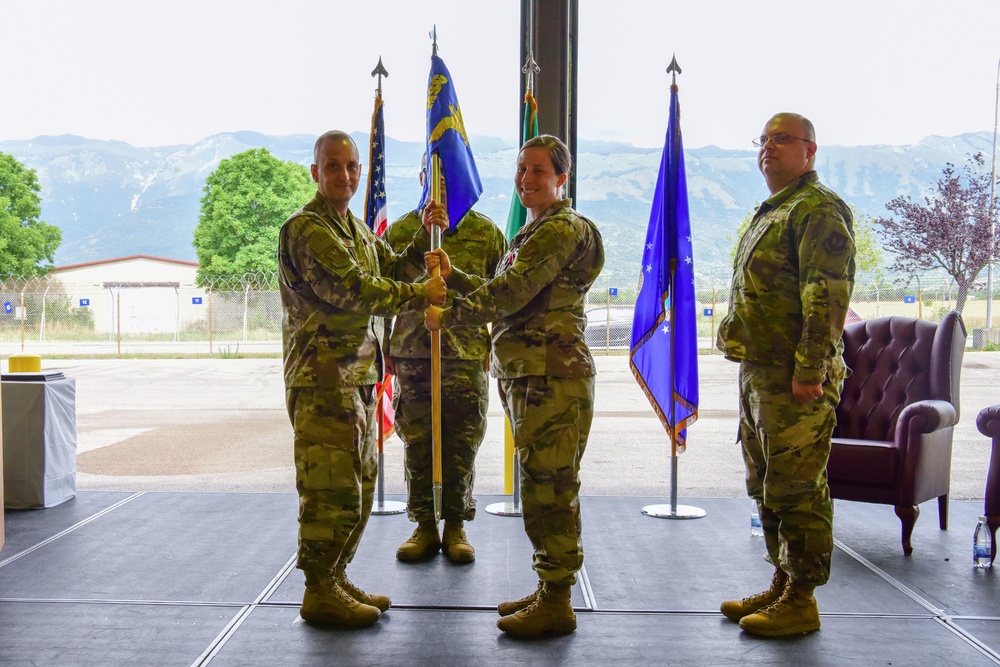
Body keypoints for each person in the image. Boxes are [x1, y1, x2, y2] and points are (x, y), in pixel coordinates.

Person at [424, 134, 605, 638]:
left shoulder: (560, 229)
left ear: (561, 178)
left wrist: (449, 315)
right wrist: (454, 275)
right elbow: (512, 292)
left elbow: (512, 292)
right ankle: (550, 588)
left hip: (553, 376)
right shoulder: (534, 232)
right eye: (522, 169)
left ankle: (558, 600)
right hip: (530, 374)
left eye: (539, 171)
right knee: (541, 484)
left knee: (551, 489)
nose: (527, 179)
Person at [278, 130, 447, 629]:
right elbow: (355, 290)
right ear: (315, 172)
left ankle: (335, 575)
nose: (346, 175)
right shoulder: (307, 230)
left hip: (357, 376)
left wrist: (424, 235)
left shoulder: (351, 228)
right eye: (334, 166)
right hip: (322, 379)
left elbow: (387, 265)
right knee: (328, 487)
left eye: (353, 166)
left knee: (357, 484)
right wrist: (420, 294)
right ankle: (318, 589)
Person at [716, 113, 856, 637]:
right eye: (765, 139)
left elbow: (826, 298)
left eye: (783, 139)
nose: (769, 148)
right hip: (761, 373)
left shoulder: (819, 211)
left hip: (794, 378)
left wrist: (809, 371)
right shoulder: (776, 210)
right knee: (768, 484)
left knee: (798, 488)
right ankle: (782, 581)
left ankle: (802, 599)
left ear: (810, 150)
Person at [384, 155, 508, 564]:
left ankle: (456, 524)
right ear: (420, 178)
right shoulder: (402, 231)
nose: (438, 186)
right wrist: (387, 349)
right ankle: (423, 524)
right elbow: (384, 291)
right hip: (413, 353)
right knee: (418, 441)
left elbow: (501, 297)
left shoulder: (486, 233)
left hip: (465, 355)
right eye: (430, 177)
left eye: (446, 178)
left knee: (461, 440)